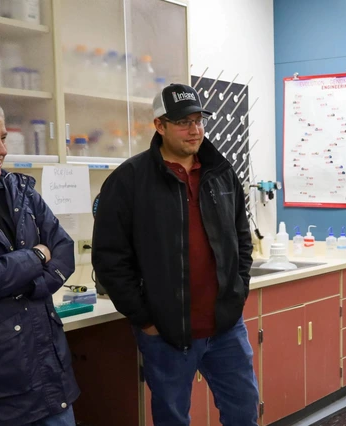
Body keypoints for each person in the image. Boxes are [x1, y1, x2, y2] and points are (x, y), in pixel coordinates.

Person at [92, 83, 258, 425]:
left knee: (244, 410)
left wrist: (238, 291)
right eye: (183, 122)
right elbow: (109, 258)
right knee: (172, 418)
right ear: (159, 125)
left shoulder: (221, 173)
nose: (194, 129)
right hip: (166, 332)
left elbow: (241, 239)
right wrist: (145, 319)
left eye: (198, 120)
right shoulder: (129, 180)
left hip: (225, 326)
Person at [0, 91, 79, 425]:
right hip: (0, 388)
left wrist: (30, 286)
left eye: (3, 138)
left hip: (49, 371)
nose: (2, 150)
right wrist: (36, 257)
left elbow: (64, 248)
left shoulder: (20, 191)